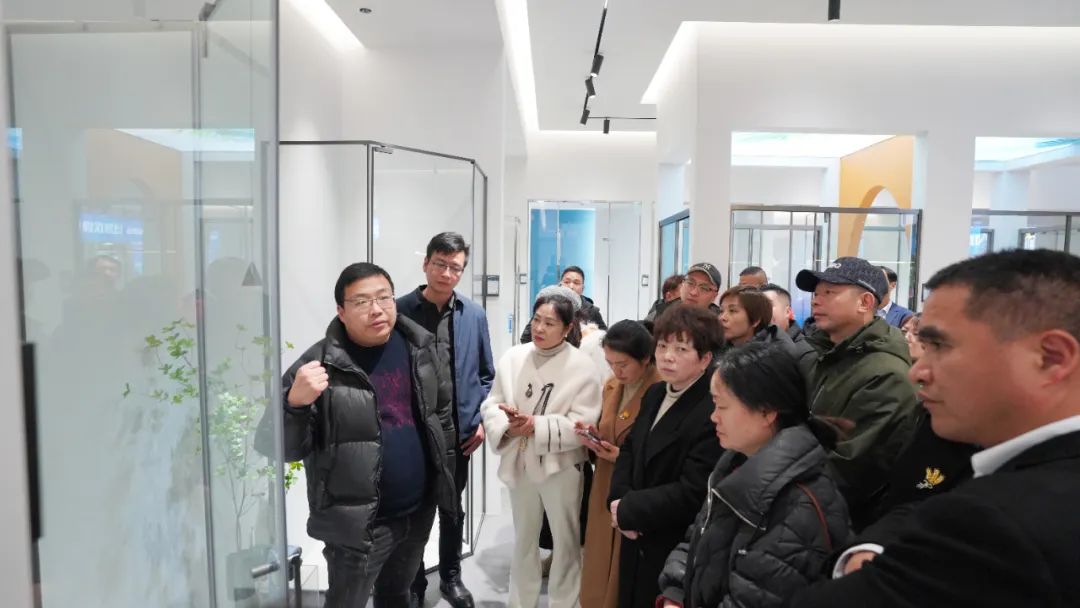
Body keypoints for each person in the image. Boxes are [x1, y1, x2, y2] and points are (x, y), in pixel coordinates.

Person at [792, 248, 1080, 607]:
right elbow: (917, 497)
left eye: (941, 346)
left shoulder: (1000, 522)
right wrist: (869, 547)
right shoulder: (958, 429)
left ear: (1051, 358)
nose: (918, 371)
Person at [278, 263, 458, 608]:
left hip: (418, 511)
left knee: (397, 595)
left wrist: (443, 482)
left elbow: (441, 417)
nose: (376, 309)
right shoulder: (319, 364)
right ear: (341, 311)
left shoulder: (420, 347)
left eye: (383, 298)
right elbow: (284, 450)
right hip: (359, 529)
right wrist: (295, 404)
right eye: (361, 302)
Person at [657, 342, 850, 608]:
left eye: (722, 406)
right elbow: (699, 539)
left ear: (766, 412)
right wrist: (676, 594)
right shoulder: (736, 464)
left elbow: (755, 597)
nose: (713, 417)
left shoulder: (799, 504)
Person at [481, 290, 602, 608]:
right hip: (520, 461)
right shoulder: (513, 357)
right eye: (536, 319)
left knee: (566, 541)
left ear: (568, 328)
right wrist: (509, 426)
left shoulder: (582, 366)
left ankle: (564, 602)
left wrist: (536, 425)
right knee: (524, 539)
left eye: (550, 323)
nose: (539, 328)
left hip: (561, 466)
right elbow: (492, 403)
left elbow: (584, 422)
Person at [396, 232, 495, 608]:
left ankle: (451, 577)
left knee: (452, 508)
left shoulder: (474, 314)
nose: (447, 273)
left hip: (458, 432)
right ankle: (413, 580)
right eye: (440, 264)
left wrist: (481, 420)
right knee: (413, 509)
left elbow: (486, 374)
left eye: (455, 267)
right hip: (413, 432)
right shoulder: (399, 312)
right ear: (426, 263)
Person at [607, 305, 725, 608]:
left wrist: (632, 508)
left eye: (681, 349)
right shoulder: (656, 392)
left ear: (705, 359)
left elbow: (696, 488)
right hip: (633, 530)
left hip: (671, 540)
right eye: (662, 346)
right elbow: (631, 448)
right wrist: (619, 502)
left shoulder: (713, 408)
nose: (667, 356)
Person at [795, 257, 919, 530]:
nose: (816, 301)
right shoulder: (829, 355)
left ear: (865, 302)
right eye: (816, 293)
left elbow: (851, 470)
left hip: (841, 522)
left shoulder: (885, 375)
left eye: (829, 292)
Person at [576, 321, 662, 608]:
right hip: (605, 480)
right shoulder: (611, 385)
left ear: (646, 358)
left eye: (623, 364)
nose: (616, 370)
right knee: (600, 552)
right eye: (610, 363)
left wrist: (621, 455)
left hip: (636, 485)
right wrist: (593, 436)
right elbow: (611, 428)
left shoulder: (660, 389)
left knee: (624, 561)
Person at [718, 285, 816, 375]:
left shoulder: (776, 357)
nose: (722, 317)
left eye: (732, 311)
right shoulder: (718, 346)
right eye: (721, 311)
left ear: (756, 319)